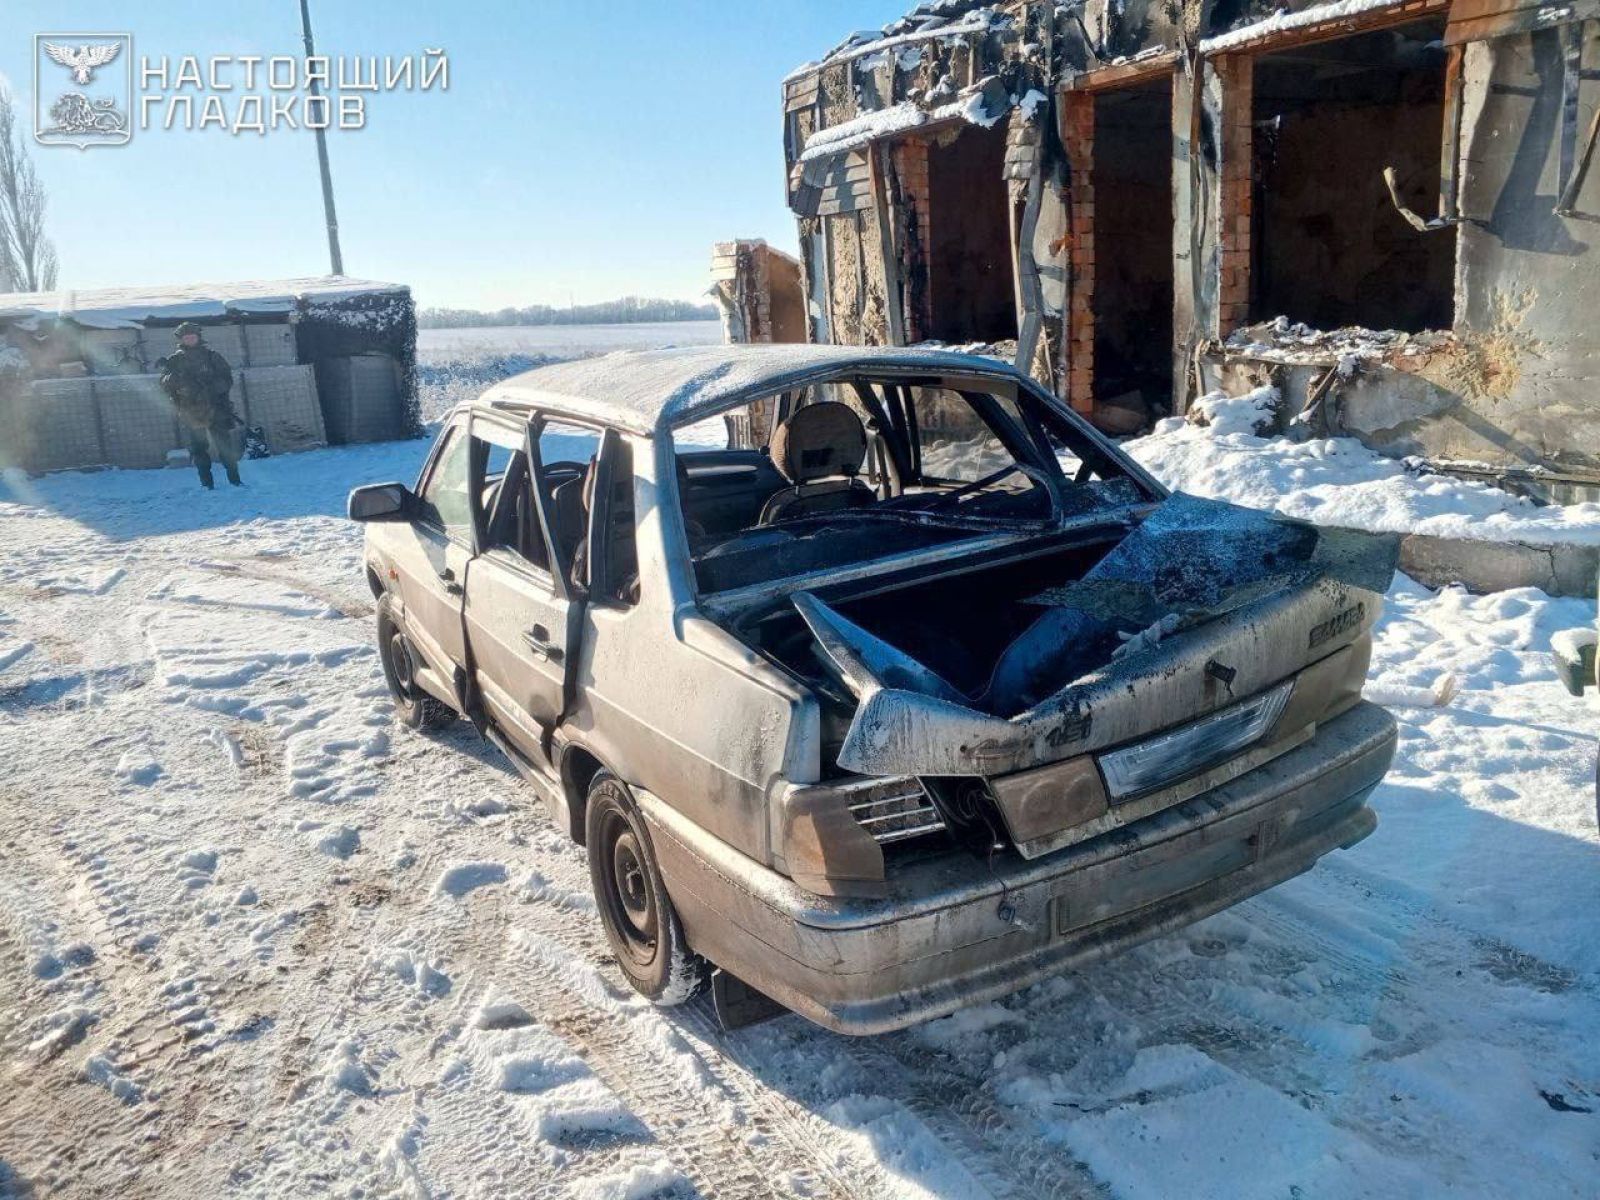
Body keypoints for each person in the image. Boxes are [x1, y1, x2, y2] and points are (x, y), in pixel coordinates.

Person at [158, 322, 241, 488]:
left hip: (216, 408)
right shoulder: (175, 360)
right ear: (181, 340)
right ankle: (206, 484)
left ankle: (235, 481)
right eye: (186, 338)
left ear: (198, 337)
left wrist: (209, 388)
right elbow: (165, 385)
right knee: (199, 449)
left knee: (225, 447)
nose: (190, 340)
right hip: (191, 411)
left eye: (192, 337)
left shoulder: (212, 357)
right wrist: (173, 376)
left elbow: (227, 379)